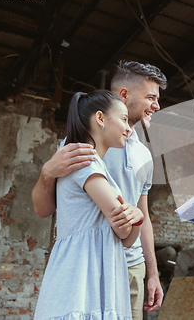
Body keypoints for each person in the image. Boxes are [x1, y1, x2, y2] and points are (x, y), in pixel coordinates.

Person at [32, 60, 167, 320]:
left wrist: (153, 273)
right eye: (151, 97)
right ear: (125, 95)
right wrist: (47, 172)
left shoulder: (143, 155)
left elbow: (142, 216)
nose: (156, 105)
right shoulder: (80, 148)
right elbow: (44, 209)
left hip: (129, 263)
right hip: (89, 261)